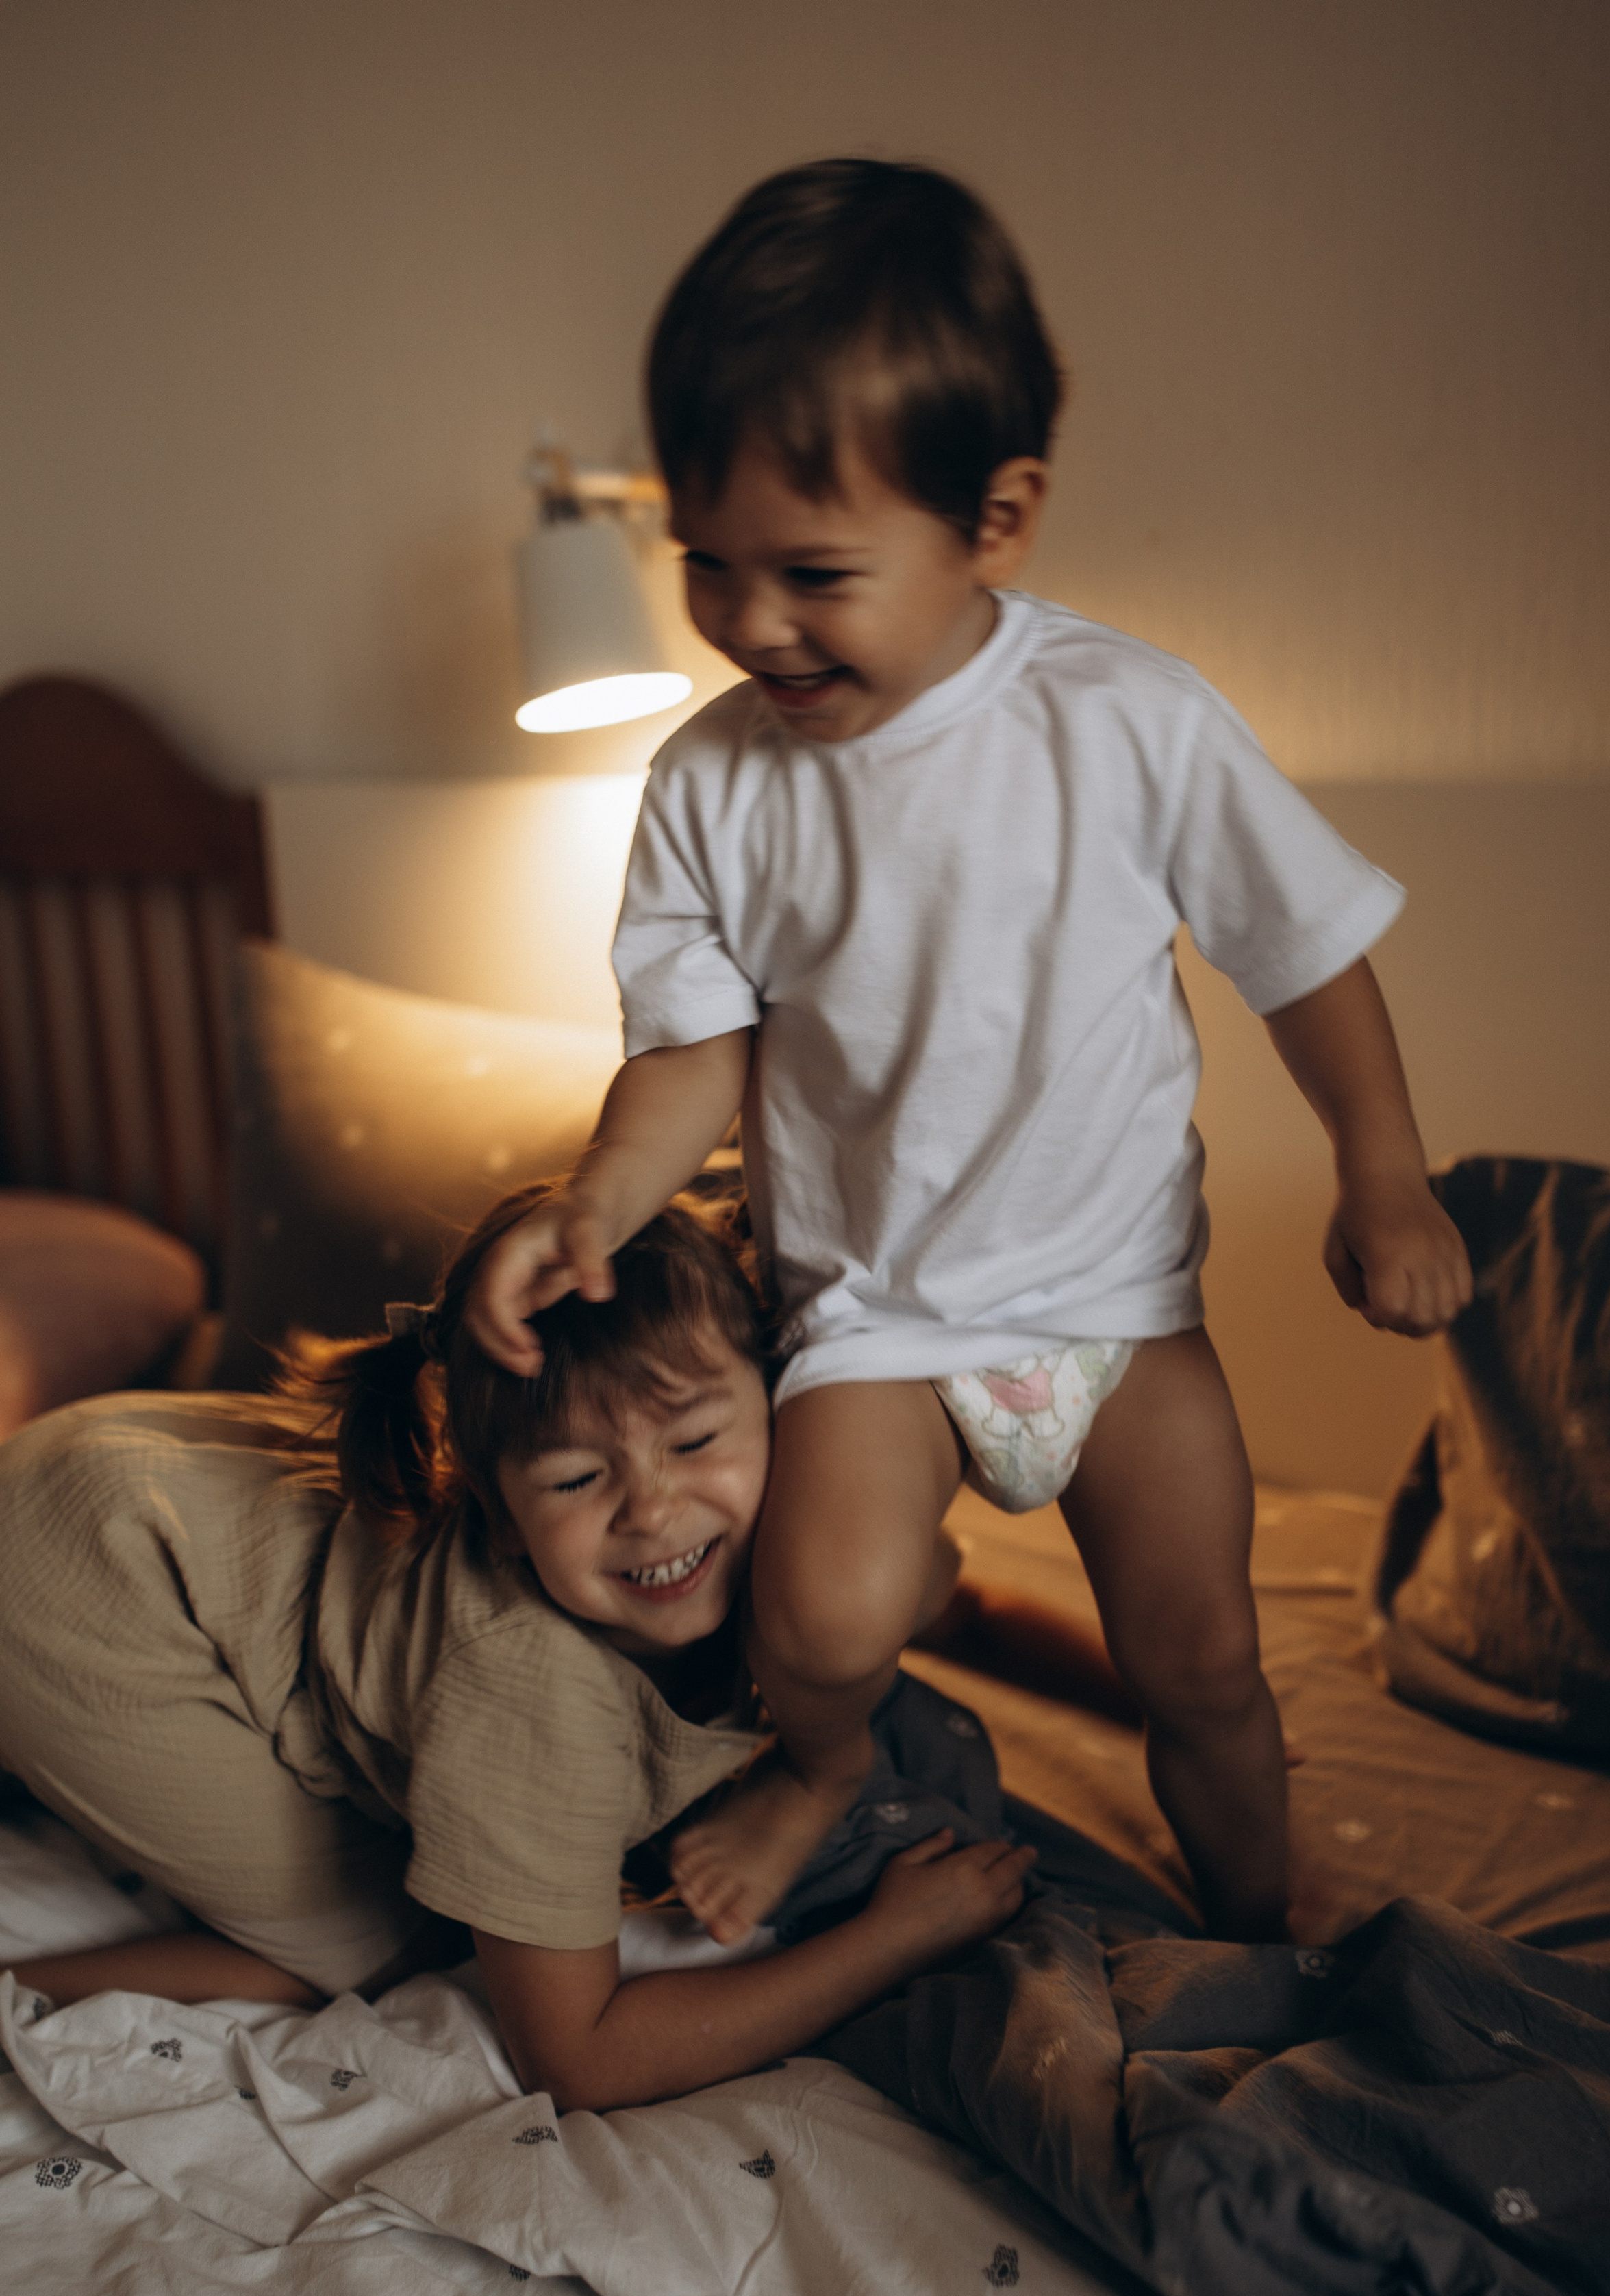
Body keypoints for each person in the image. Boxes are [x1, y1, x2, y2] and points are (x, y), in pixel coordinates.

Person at [466, 159, 1472, 1952]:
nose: (754, 621)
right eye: (708, 564)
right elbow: (696, 1052)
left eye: (816, 572)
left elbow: (1306, 953)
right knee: (823, 1621)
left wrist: (1379, 1167)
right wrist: (602, 1198)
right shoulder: (712, 785)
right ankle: (823, 1771)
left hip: (1116, 1310)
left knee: (1208, 1667)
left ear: (997, 520)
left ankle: (1267, 1931)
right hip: (879, 1313)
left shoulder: (1131, 724)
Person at [0, 1188, 1031, 2112]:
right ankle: (25, 1986)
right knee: (390, 1949)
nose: (654, 1509)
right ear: (499, 1521)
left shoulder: (807, 1533)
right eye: (579, 1481)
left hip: (163, 1488)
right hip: (78, 1585)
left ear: (778, 1409)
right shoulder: (532, 1694)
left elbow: (952, 1596)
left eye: (695, 1441)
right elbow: (575, 2062)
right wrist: (895, 1936)